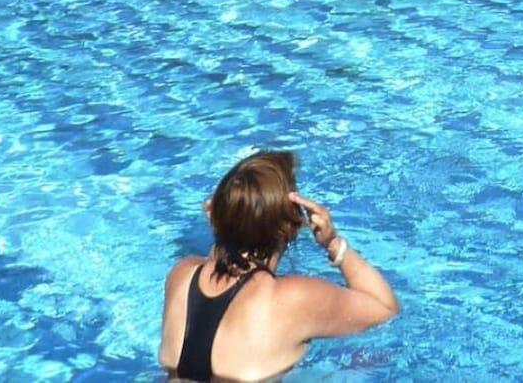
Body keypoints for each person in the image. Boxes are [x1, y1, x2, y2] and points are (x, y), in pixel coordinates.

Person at [159, 150, 398, 382]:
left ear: (215, 215)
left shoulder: (181, 275)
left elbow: (220, 263)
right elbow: (385, 309)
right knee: (371, 359)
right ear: (291, 227)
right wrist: (333, 243)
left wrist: (221, 225)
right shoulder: (291, 299)